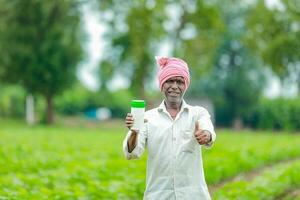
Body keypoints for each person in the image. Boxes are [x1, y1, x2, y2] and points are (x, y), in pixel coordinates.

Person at [123, 56, 216, 200]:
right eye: (169, 81)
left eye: (179, 81)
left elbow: (208, 130)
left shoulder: (197, 113)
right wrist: (134, 132)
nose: (174, 86)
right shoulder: (148, 118)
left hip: (193, 195)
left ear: (185, 85)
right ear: (162, 85)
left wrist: (206, 135)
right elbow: (132, 154)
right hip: (159, 195)